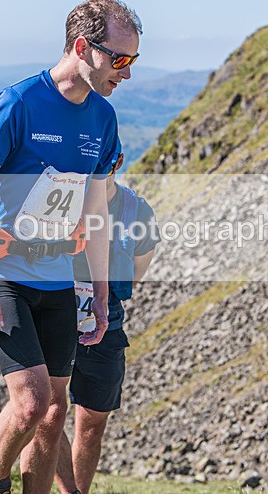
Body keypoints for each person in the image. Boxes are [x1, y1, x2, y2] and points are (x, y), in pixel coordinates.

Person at [0, 0, 142, 494]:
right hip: (2, 273)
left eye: (134, 61)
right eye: (119, 59)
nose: (126, 73)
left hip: (58, 275)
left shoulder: (103, 120)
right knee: (34, 404)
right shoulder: (19, 103)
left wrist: (100, 291)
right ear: (82, 47)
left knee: (55, 414)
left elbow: (97, 213)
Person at [54, 152, 159, 494]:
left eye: (107, 162)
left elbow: (138, 272)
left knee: (92, 423)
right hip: (52, 321)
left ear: (119, 161)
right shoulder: (61, 203)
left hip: (106, 328)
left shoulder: (138, 212)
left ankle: (77, 490)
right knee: (47, 414)